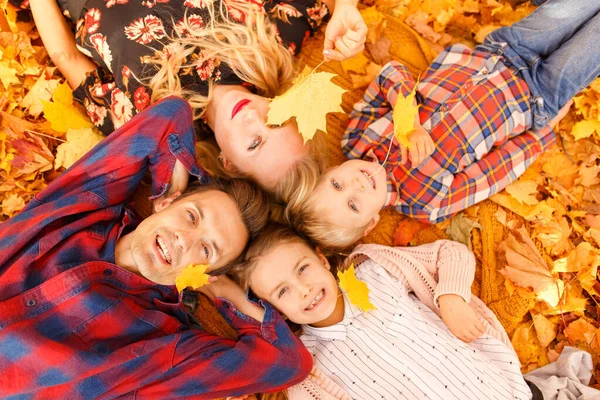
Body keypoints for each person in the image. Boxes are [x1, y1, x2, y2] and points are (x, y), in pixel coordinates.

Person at [0, 97, 312, 399]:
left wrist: (219, 290)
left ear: (204, 274)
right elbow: (170, 115)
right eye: (191, 217)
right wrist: (173, 191)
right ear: (166, 203)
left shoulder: (162, 350)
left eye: (206, 250)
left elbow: (288, 361)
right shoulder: (86, 206)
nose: (184, 239)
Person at [283, 0, 600, 250]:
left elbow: (390, 74)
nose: (356, 186)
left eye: (337, 185)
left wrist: (408, 122)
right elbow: (494, 172)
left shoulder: (358, 139)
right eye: (353, 204)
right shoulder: (426, 203)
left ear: (331, 171)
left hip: (503, 51)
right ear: (370, 223)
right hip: (538, 96)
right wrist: (542, 134)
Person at [17, 0, 367, 190]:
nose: (253, 118)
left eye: (254, 143)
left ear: (228, 163)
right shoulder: (272, 41)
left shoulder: (153, 122)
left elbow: (69, 59)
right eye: (275, 123)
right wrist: (347, 9)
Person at [227, 225, 599, 400]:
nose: (304, 289)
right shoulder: (308, 365)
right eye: (283, 291)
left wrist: (450, 297)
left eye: (303, 268)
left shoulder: (373, 273)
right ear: (273, 310)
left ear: (322, 259)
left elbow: (448, 253)